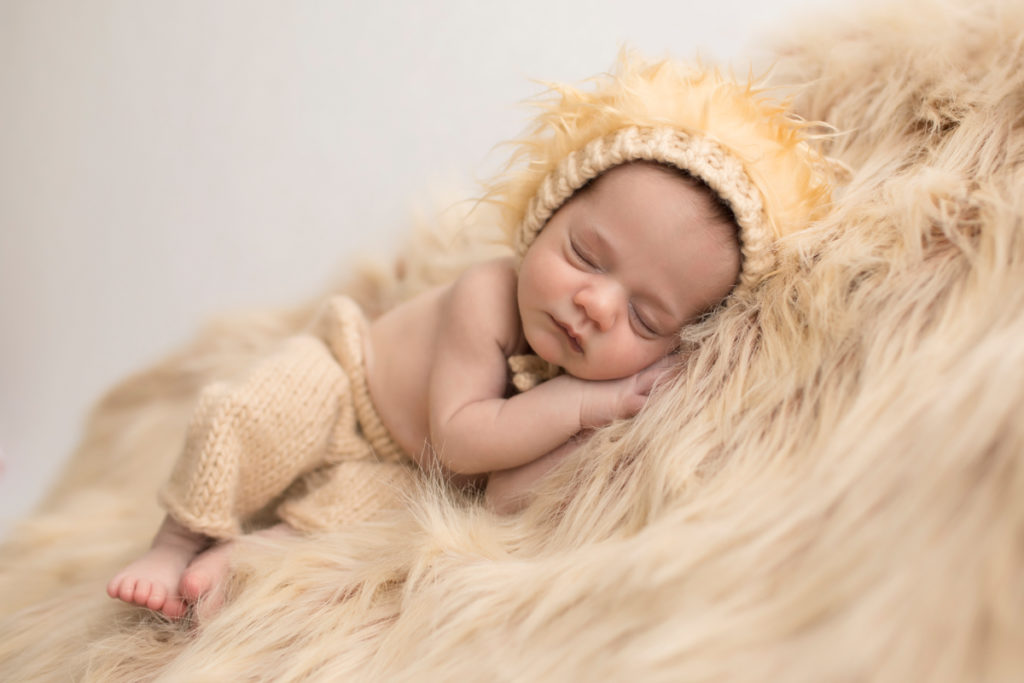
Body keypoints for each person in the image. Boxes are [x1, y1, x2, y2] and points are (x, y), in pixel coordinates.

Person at [106, 54, 839, 620]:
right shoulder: (487, 295)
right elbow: (463, 436)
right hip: (346, 384)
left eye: (645, 318)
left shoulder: (578, 379)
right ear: (543, 219)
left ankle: (228, 564)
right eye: (585, 255)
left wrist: (598, 428)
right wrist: (591, 405)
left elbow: (499, 492)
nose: (594, 303)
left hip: (401, 467)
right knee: (250, 415)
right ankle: (175, 542)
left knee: (329, 540)